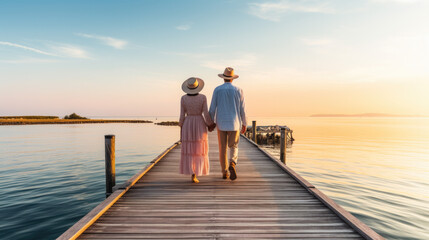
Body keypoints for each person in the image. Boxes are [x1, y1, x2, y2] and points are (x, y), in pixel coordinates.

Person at [209, 67, 247, 181]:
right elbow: (242, 109)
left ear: (223, 78)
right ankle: (232, 163)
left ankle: (225, 172)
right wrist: (244, 123)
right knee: (233, 146)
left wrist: (210, 123)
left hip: (221, 123)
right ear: (232, 79)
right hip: (234, 123)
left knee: (222, 148)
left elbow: (212, 109)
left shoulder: (217, 90)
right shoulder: (239, 90)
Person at [179, 77, 216, 183]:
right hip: (199, 122)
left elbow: (182, 115)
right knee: (198, 149)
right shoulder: (203, 98)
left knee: (190, 149)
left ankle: (192, 173)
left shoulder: (183, 98)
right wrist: (210, 124)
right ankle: (196, 173)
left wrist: (181, 128)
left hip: (188, 123)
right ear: (197, 87)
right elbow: (205, 113)